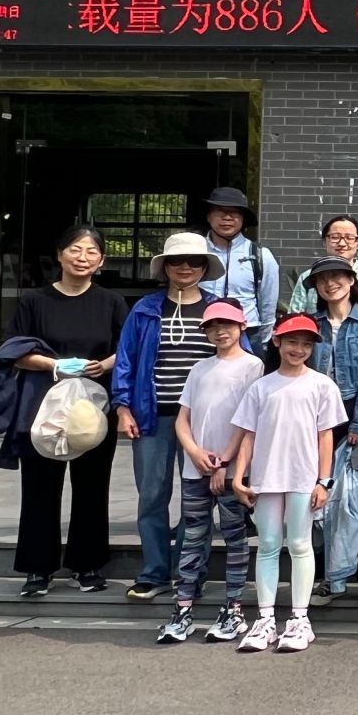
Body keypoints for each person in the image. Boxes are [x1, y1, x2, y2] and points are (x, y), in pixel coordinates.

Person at [8, 225, 126, 599]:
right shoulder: (34, 302)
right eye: (75, 249)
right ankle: (37, 567)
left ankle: (87, 564)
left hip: (94, 404)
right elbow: (15, 352)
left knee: (92, 484)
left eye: (92, 252)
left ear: (101, 261)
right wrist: (52, 365)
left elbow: (127, 348)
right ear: (60, 255)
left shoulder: (111, 302)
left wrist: (104, 365)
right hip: (43, 405)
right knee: (40, 485)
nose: (82, 258)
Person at [226, 313, 348, 654]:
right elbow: (248, 435)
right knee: (267, 544)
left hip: (303, 477)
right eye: (292, 341)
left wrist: (324, 481)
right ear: (277, 342)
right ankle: (265, 618)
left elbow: (326, 437)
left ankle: (299, 618)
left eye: (306, 344)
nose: (299, 349)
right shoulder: (261, 387)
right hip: (266, 478)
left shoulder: (322, 385)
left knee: (299, 543)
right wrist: (239, 475)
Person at [112, 230, 223, 601]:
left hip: (203, 421)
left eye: (194, 261)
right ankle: (155, 572)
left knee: (199, 499)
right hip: (152, 416)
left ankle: (190, 573)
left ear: (205, 267)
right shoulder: (146, 309)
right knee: (152, 496)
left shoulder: (218, 309)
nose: (185, 267)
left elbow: (239, 360)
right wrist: (122, 406)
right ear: (165, 267)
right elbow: (125, 360)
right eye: (177, 260)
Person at [155, 300, 265, 644]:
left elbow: (247, 421)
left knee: (235, 538)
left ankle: (233, 609)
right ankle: (183, 608)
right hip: (195, 469)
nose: (220, 332)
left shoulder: (253, 366)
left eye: (227, 325)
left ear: (242, 326)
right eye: (213, 326)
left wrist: (225, 463)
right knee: (192, 537)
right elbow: (182, 419)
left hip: (232, 472)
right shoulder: (199, 368)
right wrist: (194, 451)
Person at [302, 256, 358, 604]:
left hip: (357, 411)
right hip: (318, 416)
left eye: (338, 276)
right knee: (321, 496)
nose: (330, 283)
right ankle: (326, 575)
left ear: (352, 280)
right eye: (322, 279)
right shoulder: (310, 324)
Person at [197, 187, 279, 350]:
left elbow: (268, 306)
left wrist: (262, 341)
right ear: (208, 216)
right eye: (220, 211)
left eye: (234, 212)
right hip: (202, 330)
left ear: (243, 218)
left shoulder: (260, 255)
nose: (227, 217)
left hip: (247, 333)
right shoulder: (195, 251)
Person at [284, 215, 358, 318]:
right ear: (324, 242)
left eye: (349, 238)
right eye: (335, 237)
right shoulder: (308, 276)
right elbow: (294, 319)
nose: (342, 243)